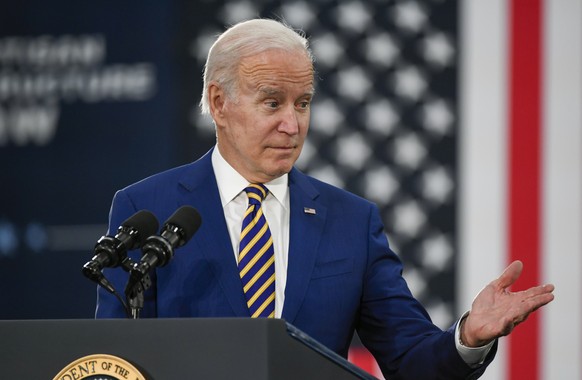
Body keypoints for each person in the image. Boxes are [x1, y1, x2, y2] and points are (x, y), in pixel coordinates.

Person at [96, 18, 554, 379]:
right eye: (272, 103)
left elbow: (411, 360)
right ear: (219, 103)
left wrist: (468, 337)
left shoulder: (350, 222)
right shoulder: (146, 208)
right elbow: (111, 360)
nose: (293, 125)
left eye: (303, 103)